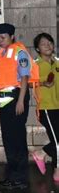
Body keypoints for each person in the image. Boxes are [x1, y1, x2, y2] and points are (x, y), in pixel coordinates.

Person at [0, 23, 39, 191]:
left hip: (16, 98)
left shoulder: (19, 52)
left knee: (17, 140)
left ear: (12, 37)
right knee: (8, 140)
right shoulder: (2, 54)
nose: (0, 41)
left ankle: (21, 178)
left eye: (3, 37)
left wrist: (21, 101)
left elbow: (24, 77)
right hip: (5, 101)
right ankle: (11, 176)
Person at [30, 33, 59, 182]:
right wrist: (42, 83)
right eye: (43, 44)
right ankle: (57, 171)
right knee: (57, 142)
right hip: (47, 108)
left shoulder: (57, 63)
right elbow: (27, 82)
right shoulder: (35, 65)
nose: (48, 45)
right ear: (37, 48)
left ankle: (41, 153)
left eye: (50, 42)